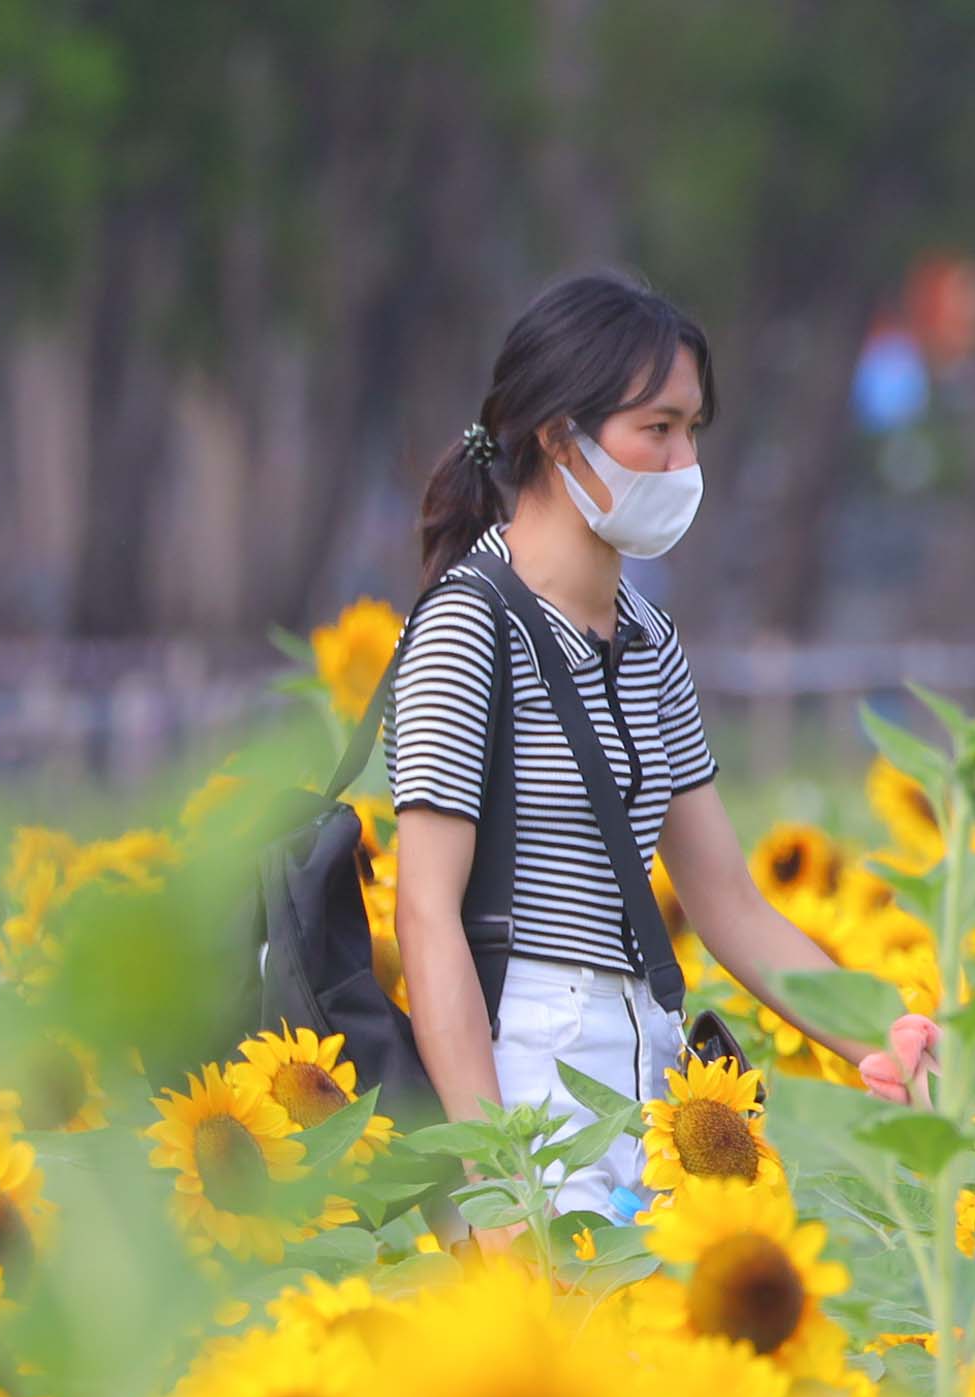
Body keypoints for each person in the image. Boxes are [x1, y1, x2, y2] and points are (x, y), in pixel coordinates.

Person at [389, 271, 914, 1220]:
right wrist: (497, 1187)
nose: (683, 464)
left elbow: (731, 907)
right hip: (529, 1080)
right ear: (559, 435)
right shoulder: (470, 626)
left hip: (663, 1074)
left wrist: (892, 1035)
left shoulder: (648, 639)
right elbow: (425, 916)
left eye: (692, 430)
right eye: (657, 429)